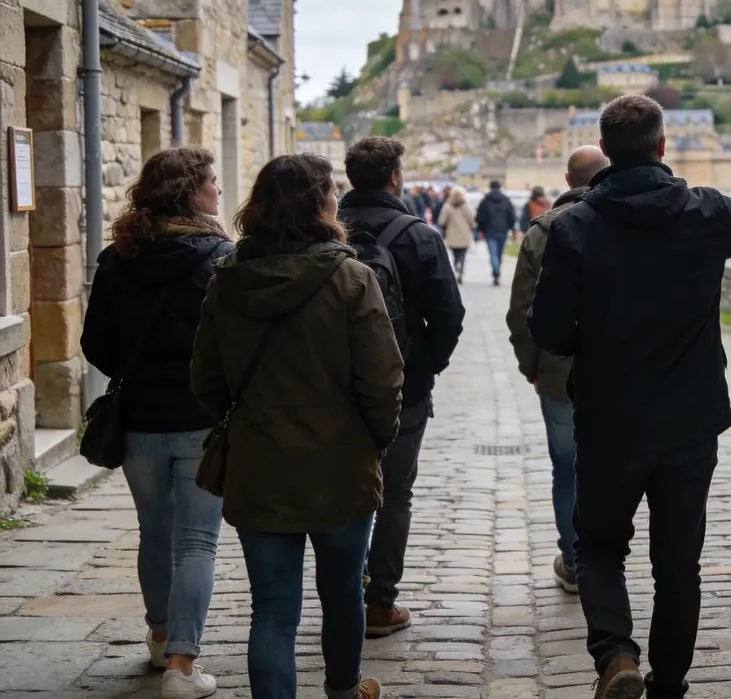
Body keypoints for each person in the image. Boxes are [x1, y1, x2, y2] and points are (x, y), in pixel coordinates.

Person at [529, 96, 731, 699]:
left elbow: (548, 332)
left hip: (609, 417)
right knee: (678, 564)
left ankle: (616, 652)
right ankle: (669, 682)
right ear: (662, 146)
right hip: (688, 420)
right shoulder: (701, 212)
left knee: (598, 547)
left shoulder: (573, 227)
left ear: (606, 151)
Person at [191, 153, 403, 699]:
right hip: (341, 462)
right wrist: (376, 440)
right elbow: (382, 379)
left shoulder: (228, 281)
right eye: (330, 189)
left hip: (260, 463)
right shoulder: (352, 278)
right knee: (342, 594)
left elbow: (206, 381)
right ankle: (343, 688)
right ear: (320, 203)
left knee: (274, 610)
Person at [80, 147, 232, 699]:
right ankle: (182, 668)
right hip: (200, 418)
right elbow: (233, 343)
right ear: (191, 191)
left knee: (155, 532)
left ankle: (160, 634)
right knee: (196, 543)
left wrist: (135, 374)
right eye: (211, 182)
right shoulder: (221, 257)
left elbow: (94, 342)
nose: (218, 190)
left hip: (140, 419)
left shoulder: (118, 257)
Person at [338, 138, 465, 637]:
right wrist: (422, 368)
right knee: (394, 496)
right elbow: (449, 316)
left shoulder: (322, 230)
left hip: (331, 386)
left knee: (338, 492)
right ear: (395, 178)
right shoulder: (419, 236)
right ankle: (379, 602)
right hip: (401, 389)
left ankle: (342, 592)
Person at [505, 146, 609, 595]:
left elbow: (520, 311)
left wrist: (532, 366)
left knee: (566, 467)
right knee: (608, 467)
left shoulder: (543, 231)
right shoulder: (622, 220)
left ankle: (573, 561)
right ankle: (603, 559)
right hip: (617, 369)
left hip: (556, 371)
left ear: (567, 179)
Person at [475, 178, 517, 286]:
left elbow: (480, 216)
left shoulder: (485, 201)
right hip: (503, 230)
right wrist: (513, 229)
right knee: (499, 253)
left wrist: (480, 229)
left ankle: (496, 271)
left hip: (489, 231)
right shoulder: (506, 200)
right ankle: (497, 270)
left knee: (493, 253)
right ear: (499, 187)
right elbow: (511, 216)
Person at [438, 187, 477, 284]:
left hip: (452, 235)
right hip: (464, 235)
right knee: (462, 255)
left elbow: (441, 221)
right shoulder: (466, 207)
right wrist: (473, 227)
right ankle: (460, 270)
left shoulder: (447, 206)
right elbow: (471, 221)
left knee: (455, 255)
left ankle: (457, 267)